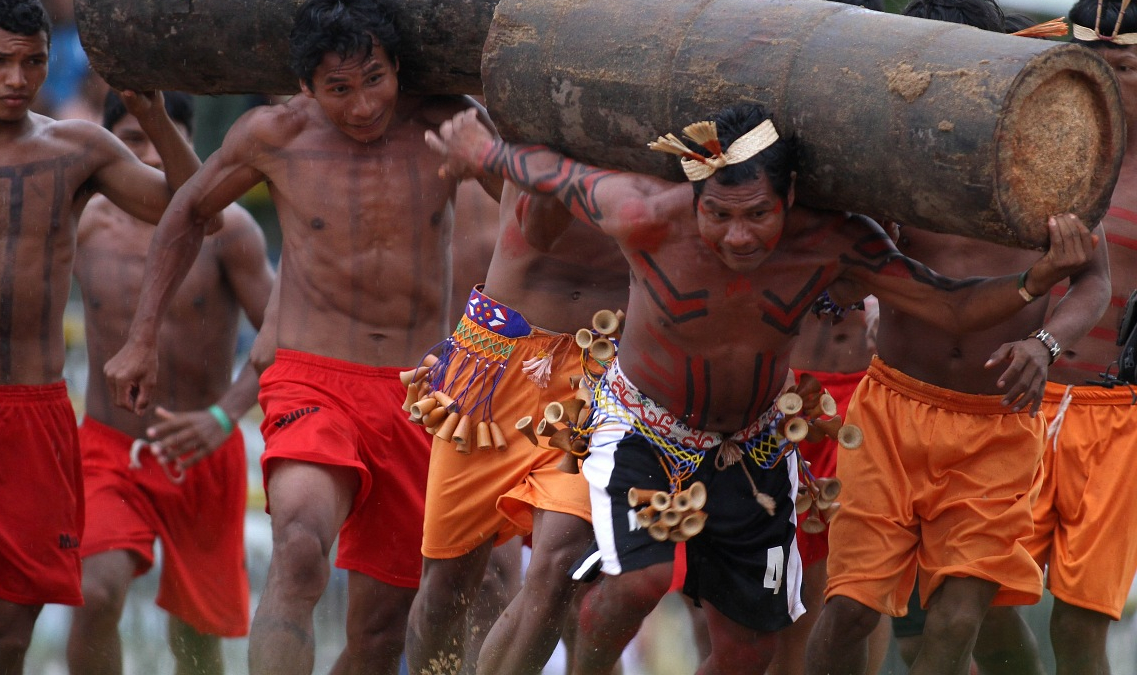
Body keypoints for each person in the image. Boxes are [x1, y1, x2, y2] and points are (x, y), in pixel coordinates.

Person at [424, 98, 1096, 675]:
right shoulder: (644, 217)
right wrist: (486, 150)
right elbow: (555, 175)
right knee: (635, 581)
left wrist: (1035, 283)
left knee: (754, 647)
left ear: (791, 198)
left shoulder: (832, 244)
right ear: (694, 198)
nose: (738, 236)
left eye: (756, 215)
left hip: (753, 445)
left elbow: (947, 304)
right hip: (641, 426)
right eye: (719, 215)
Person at [104, 0, 483, 675]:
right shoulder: (273, 135)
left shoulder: (447, 123)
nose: (363, 104)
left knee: (379, 633)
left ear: (399, 66)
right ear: (306, 86)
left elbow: (531, 198)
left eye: (375, 80)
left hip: (419, 393)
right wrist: (141, 336)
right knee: (301, 545)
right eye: (339, 88)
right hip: (314, 378)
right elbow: (187, 213)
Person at [405, 0, 711, 675]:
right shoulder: (540, 77)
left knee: (564, 566)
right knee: (449, 580)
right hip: (502, 354)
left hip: (614, 373)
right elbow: (537, 228)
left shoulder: (705, 114)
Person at [804, 0, 1108, 675]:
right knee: (850, 607)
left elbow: (1094, 280)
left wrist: (1046, 343)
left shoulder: (1056, 160)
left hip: (998, 424)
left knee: (963, 616)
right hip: (889, 412)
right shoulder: (882, 154)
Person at [0, 0, 201, 674]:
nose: (17, 79)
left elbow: (187, 205)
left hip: (32, 418)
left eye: (33, 63)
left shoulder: (75, 149)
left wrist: (154, 116)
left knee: (3, 640)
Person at [66, 91, 275, 675]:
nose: (153, 158)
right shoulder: (83, 226)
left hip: (202, 451)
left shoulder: (230, 232)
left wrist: (225, 416)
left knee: (198, 637)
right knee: (95, 592)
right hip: (109, 449)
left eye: (166, 140)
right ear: (109, 150)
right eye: (133, 141)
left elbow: (286, 336)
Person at [1016, 0, 1137, 675]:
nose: (1107, 82)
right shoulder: (1030, 151)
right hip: (1021, 398)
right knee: (977, 599)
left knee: (1081, 621)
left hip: (1118, 415)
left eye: (1123, 67)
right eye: (1089, 62)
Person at [773, 0, 891, 675]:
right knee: (781, 590)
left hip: (872, 393)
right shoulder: (762, 139)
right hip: (779, 390)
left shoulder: (901, 137)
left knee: (857, 585)